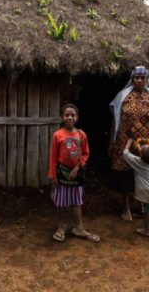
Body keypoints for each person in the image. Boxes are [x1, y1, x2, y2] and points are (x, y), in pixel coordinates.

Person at [109, 66, 149, 221]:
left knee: (144, 173)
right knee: (125, 174)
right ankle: (126, 207)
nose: (139, 80)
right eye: (136, 77)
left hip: (147, 143)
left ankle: (143, 207)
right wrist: (111, 141)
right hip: (124, 141)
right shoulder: (122, 96)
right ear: (132, 79)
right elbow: (115, 120)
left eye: (142, 77)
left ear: (147, 80)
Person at [48, 103, 100, 243]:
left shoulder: (81, 135)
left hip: (77, 175)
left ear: (77, 118)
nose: (70, 117)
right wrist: (52, 175)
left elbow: (85, 154)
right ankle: (61, 226)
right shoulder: (57, 135)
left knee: (77, 202)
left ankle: (79, 227)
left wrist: (77, 167)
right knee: (61, 202)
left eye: (72, 115)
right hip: (62, 173)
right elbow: (53, 156)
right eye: (67, 115)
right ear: (62, 118)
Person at [123, 140, 149, 236]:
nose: (142, 146)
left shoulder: (138, 162)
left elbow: (125, 153)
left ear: (141, 156)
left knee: (147, 210)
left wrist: (129, 142)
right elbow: (148, 153)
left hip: (146, 191)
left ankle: (147, 230)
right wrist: (140, 148)